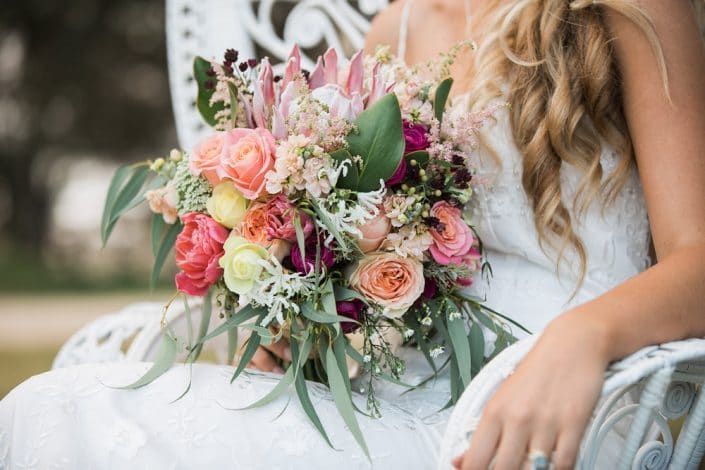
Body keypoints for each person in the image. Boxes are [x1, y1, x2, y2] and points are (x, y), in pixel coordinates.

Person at [1, 1, 704, 469]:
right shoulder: (398, 27)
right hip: (406, 385)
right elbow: (377, 232)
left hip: (580, 398)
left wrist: (582, 338)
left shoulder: (621, 11)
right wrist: (304, 304)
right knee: (52, 410)